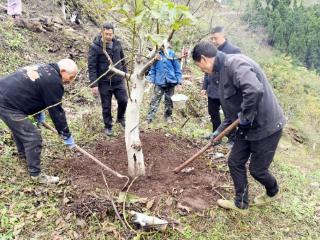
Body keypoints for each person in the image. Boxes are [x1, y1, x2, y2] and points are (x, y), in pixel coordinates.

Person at [192, 41, 285, 213]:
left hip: (267, 126)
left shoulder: (236, 64)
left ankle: (273, 192)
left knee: (257, 170)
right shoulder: (219, 74)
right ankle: (241, 204)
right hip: (246, 127)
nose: (202, 71)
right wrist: (218, 132)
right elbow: (231, 114)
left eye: (200, 67)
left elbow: (254, 90)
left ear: (204, 59)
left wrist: (245, 116)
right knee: (235, 161)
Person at [0, 59, 78, 184]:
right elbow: (56, 111)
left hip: (6, 95)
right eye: (71, 77)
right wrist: (66, 135)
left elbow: (34, 89)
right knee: (32, 137)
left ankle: (23, 157)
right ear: (63, 71)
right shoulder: (54, 82)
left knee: (21, 130)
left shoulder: (45, 68)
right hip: (7, 103)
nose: (71, 80)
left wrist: (38, 112)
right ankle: (36, 175)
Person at [202, 26, 241, 144]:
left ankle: (232, 138)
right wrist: (204, 86)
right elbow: (206, 70)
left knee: (229, 115)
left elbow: (237, 71)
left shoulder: (234, 50)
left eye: (215, 38)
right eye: (211, 39)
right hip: (212, 88)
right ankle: (216, 136)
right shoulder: (211, 50)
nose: (213, 41)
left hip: (226, 89)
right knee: (213, 113)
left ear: (223, 36)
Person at [88, 22, 128, 136]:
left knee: (123, 100)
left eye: (111, 34)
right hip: (104, 81)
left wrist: (125, 74)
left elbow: (123, 60)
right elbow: (91, 66)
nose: (109, 36)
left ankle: (120, 118)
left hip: (118, 79)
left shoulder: (117, 44)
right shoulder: (95, 47)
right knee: (106, 105)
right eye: (107, 34)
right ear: (102, 33)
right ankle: (108, 126)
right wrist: (94, 84)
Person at [146, 45, 182, 124]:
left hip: (171, 81)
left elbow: (177, 68)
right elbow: (153, 69)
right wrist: (150, 81)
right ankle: (149, 118)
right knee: (154, 100)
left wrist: (179, 81)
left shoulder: (172, 54)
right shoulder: (156, 55)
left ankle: (168, 117)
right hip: (159, 81)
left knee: (169, 101)